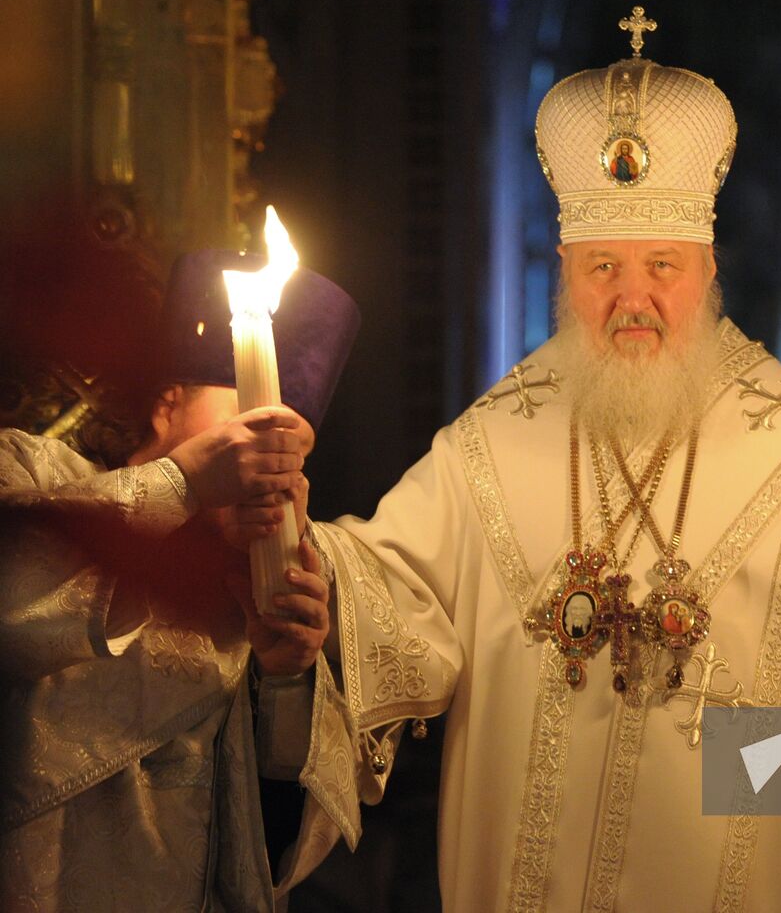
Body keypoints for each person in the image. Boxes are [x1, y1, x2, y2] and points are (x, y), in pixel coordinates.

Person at [306, 13, 781, 913]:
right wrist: (300, 557)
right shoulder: (486, 443)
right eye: (602, 267)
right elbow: (386, 583)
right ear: (564, 271)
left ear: (708, 269)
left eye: (662, 266)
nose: (632, 298)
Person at [0, 249, 454, 910]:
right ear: (167, 405)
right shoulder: (34, 471)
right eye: (248, 426)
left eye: (292, 447)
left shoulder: (271, 575)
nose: (269, 460)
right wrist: (183, 482)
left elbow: (267, 849)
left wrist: (286, 674)